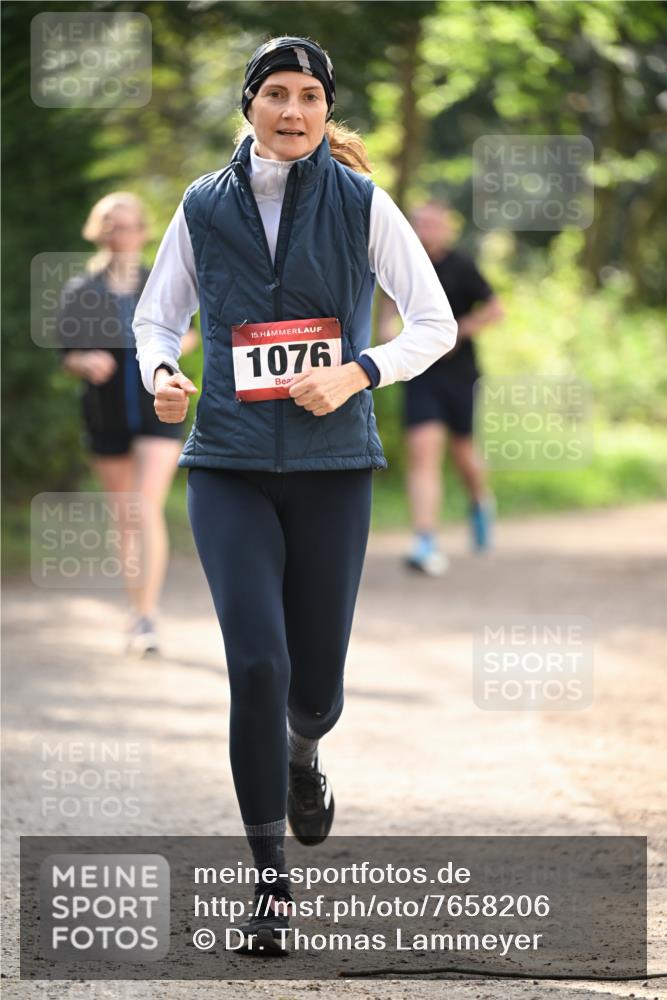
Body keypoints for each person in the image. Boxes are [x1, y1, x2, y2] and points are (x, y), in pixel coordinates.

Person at [134, 36, 457, 954]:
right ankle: (270, 886)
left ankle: (305, 751)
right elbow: (160, 314)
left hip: (331, 472)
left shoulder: (361, 202)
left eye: (309, 96)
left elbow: (430, 323)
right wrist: (163, 370)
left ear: (324, 110)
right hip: (228, 465)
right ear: (248, 107)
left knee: (312, 689)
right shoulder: (202, 204)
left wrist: (359, 371)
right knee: (257, 668)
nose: (292, 111)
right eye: (275, 94)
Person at [59, 192, 198, 654]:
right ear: (99, 231)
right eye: (111, 225)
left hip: (159, 409)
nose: (120, 233)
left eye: (128, 224)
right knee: (125, 516)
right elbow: (67, 355)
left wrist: (178, 346)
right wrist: (85, 361)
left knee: (144, 506)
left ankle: (146, 616)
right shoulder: (82, 290)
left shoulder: (161, 283)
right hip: (107, 416)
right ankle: (137, 610)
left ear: (143, 230)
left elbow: (196, 328)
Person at [379, 200, 504, 576]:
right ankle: (425, 541)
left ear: (446, 228)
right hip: (420, 373)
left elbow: (495, 309)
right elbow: (388, 312)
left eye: (433, 224)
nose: (426, 230)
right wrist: (389, 336)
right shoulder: (401, 262)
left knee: (463, 452)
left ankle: (481, 501)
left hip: (459, 373)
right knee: (423, 452)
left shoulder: (462, 265)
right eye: (420, 223)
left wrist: (458, 332)